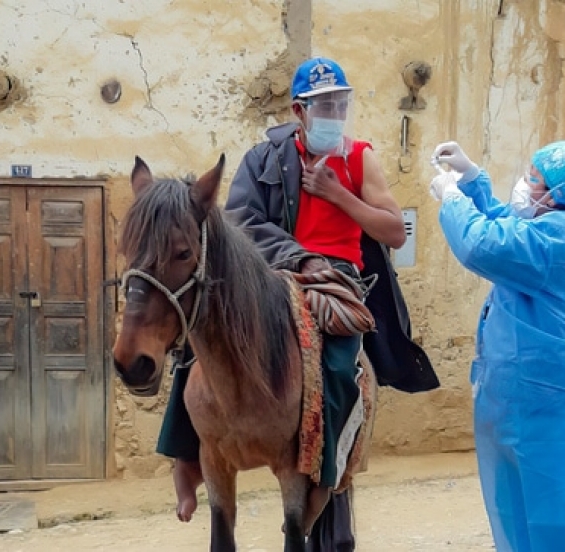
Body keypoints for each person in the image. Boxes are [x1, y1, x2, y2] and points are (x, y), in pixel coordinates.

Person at [153, 57, 440, 550]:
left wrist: (338, 194)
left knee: (343, 362)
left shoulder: (360, 158)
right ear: (299, 110)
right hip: (269, 273)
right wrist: (297, 258)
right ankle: (186, 458)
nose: (334, 112)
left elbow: (393, 231)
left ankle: (329, 471)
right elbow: (241, 221)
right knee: (202, 339)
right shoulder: (263, 160)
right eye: (324, 104)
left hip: (337, 277)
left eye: (340, 103)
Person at [427, 140, 565, 551]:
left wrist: (453, 199)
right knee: (523, 509)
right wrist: (474, 181)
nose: (525, 185)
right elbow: (506, 225)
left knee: (561, 516)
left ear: (559, 193)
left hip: (551, 404)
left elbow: (485, 244)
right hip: (530, 402)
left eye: (534, 179)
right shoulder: (554, 227)